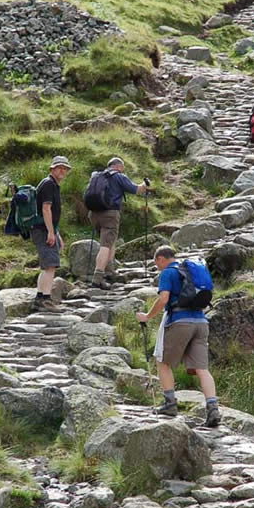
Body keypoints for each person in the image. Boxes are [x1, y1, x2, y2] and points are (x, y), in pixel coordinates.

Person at [136, 245, 221, 428]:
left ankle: (170, 404)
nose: (156, 266)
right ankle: (213, 408)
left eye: (155, 262)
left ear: (160, 258)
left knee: (162, 362)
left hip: (180, 322)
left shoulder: (167, 272)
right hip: (201, 322)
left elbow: (164, 299)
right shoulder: (189, 271)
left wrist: (147, 316)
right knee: (202, 369)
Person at [88, 157, 148, 290]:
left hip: (93, 214)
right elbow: (136, 190)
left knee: (110, 241)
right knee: (105, 245)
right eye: (123, 168)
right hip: (110, 214)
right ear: (118, 166)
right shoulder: (118, 176)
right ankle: (97, 279)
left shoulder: (96, 176)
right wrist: (144, 185)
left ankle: (109, 271)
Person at [31, 155, 71, 313]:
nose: (62, 171)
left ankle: (39, 299)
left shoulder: (50, 184)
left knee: (46, 265)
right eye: (59, 168)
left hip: (43, 228)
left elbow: (51, 213)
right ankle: (46, 301)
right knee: (50, 265)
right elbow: (46, 209)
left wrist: (56, 233)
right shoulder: (49, 184)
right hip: (43, 229)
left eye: (65, 168)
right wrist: (50, 232)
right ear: (52, 169)